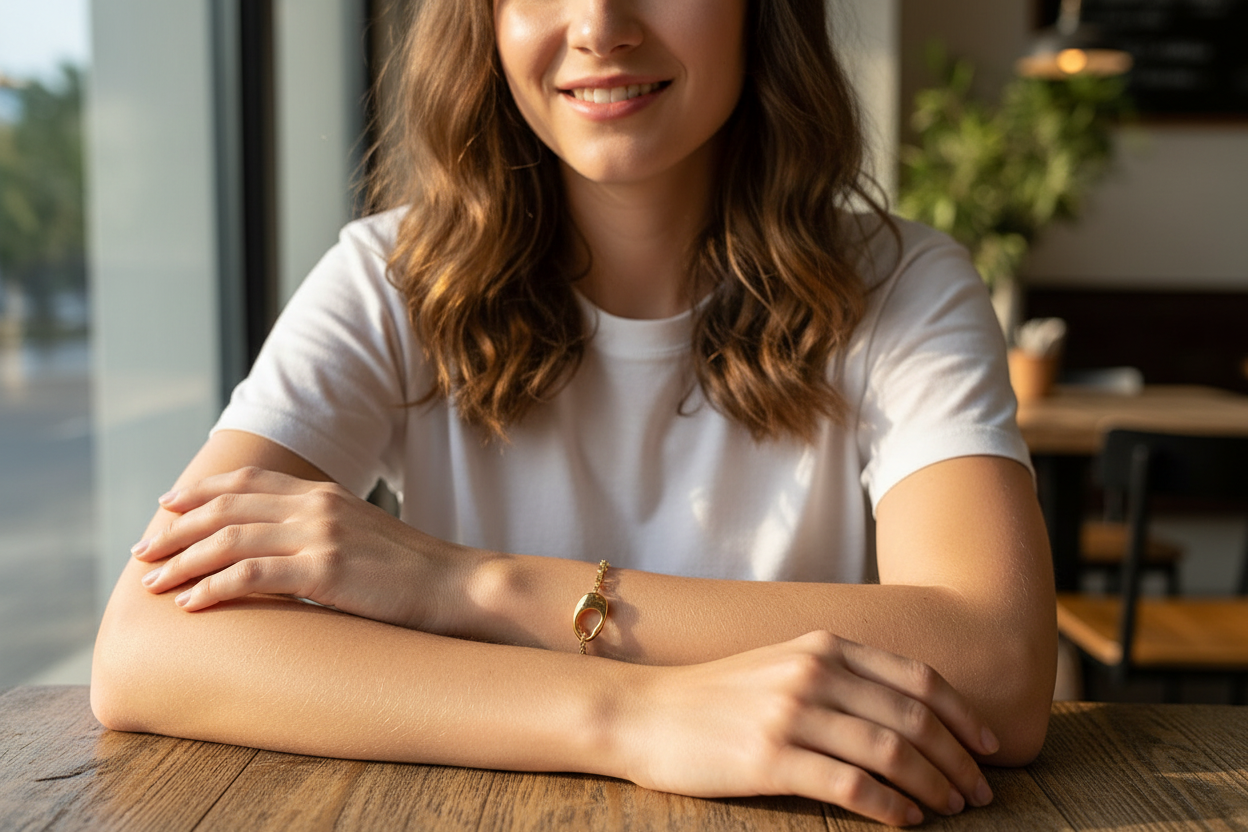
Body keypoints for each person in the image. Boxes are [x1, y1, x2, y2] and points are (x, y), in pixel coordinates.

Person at [90, 0, 1057, 826]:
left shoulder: (903, 286)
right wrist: (636, 717)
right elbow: (149, 644)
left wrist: (464, 586)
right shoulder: (388, 281)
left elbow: (998, 664)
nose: (599, 26)